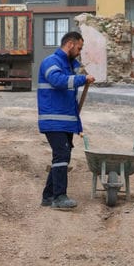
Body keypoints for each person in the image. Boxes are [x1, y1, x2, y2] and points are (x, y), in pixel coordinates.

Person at [37, 31, 94, 209]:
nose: (79, 52)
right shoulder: (51, 62)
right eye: (78, 48)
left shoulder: (69, 65)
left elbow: (77, 73)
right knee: (62, 155)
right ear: (70, 44)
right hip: (54, 121)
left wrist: (83, 73)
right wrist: (82, 78)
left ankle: (48, 196)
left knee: (61, 157)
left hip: (65, 122)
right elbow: (57, 80)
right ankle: (59, 197)